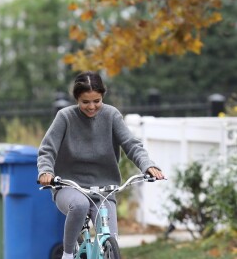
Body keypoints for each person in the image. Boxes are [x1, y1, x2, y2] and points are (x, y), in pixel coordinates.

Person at [37, 71, 164, 259]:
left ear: (102, 96)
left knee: (110, 239)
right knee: (79, 205)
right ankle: (68, 254)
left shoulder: (111, 115)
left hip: (104, 188)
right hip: (70, 186)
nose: (91, 106)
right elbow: (47, 150)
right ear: (77, 99)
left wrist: (147, 165)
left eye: (96, 101)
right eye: (85, 102)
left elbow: (131, 144)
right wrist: (46, 171)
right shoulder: (65, 117)